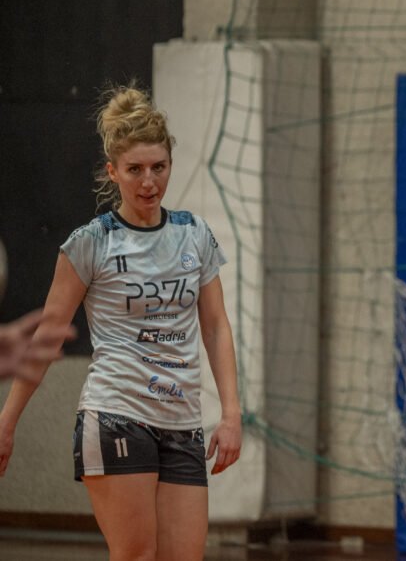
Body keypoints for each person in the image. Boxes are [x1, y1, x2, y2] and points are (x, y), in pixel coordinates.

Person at [0, 84, 242, 561]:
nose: (149, 181)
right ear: (113, 172)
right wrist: (7, 422)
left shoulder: (195, 235)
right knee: (137, 554)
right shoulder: (91, 243)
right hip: (116, 414)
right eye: (135, 170)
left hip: (182, 422)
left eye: (159, 167)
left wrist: (231, 415)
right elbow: (46, 337)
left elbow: (216, 327)